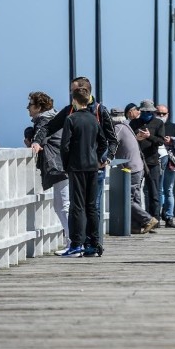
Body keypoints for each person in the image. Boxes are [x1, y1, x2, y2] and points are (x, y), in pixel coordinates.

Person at [31, 76, 118, 245]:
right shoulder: (69, 111)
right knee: (78, 206)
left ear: (82, 90)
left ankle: (92, 243)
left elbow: (111, 139)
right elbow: (49, 127)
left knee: (92, 206)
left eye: (72, 90)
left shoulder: (100, 110)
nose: (70, 94)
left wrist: (106, 158)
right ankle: (82, 242)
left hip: (95, 166)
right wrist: (36, 141)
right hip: (77, 166)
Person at [60, 86, 110, 257]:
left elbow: (65, 146)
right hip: (92, 167)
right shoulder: (93, 119)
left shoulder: (71, 119)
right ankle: (94, 243)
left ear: (74, 100)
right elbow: (103, 142)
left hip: (76, 167)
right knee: (91, 207)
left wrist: (66, 165)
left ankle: (76, 244)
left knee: (77, 207)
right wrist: (97, 158)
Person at [27, 91, 70, 245]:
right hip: (64, 164)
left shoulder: (44, 120)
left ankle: (74, 243)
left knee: (63, 206)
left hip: (59, 165)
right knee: (61, 205)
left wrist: (31, 137)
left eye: (30, 105)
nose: (28, 108)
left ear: (39, 107)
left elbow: (41, 139)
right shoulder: (54, 116)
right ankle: (72, 241)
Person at [110, 107, 159, 234]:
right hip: (138, 166)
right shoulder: (127, 127)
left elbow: (111, 145)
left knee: (127, 199)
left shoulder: (118, 128)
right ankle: (135, 226)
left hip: (130, 168)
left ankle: (148, 219)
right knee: (135, 197)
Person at [130, 100, 168, 227]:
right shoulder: (134, 122)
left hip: (152, 161)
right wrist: (137, 137)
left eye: (149, 112)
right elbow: (130, 140)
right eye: (144, 112)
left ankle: (155, 220)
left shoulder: (158, 123)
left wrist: (149, 136)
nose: (147, 114)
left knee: (154, 192)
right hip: (137, 161)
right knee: (135, 193)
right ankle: (140, 220)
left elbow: (161, 141)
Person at [156, 104, 175, 225]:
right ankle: (158, 214)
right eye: (159, 113)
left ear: (168, 114)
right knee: (159, 190)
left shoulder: (174, 127)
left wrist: (172, 140)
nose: (161, 116)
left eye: (164, 114)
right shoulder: (152, 125)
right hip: (156, 162)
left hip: (171, 163)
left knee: (168, 190)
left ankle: (169, 216)